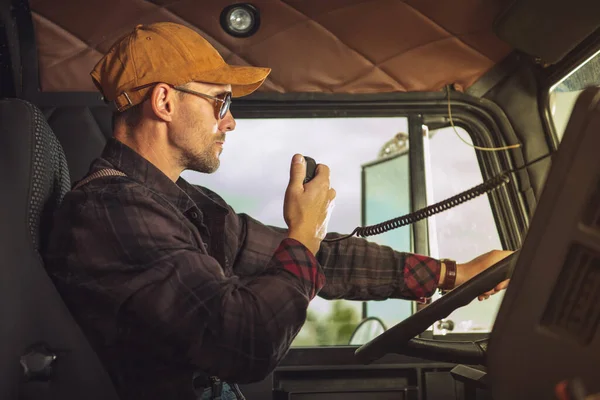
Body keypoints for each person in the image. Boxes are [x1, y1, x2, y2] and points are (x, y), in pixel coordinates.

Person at [43, 22, 512, 400]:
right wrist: (304, 231)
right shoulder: (111, 211)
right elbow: (245, 343)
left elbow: (317, 259)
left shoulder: (178, 202)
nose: (229, 120)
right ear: (165, 101)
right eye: (219, 101)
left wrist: (456, 274)